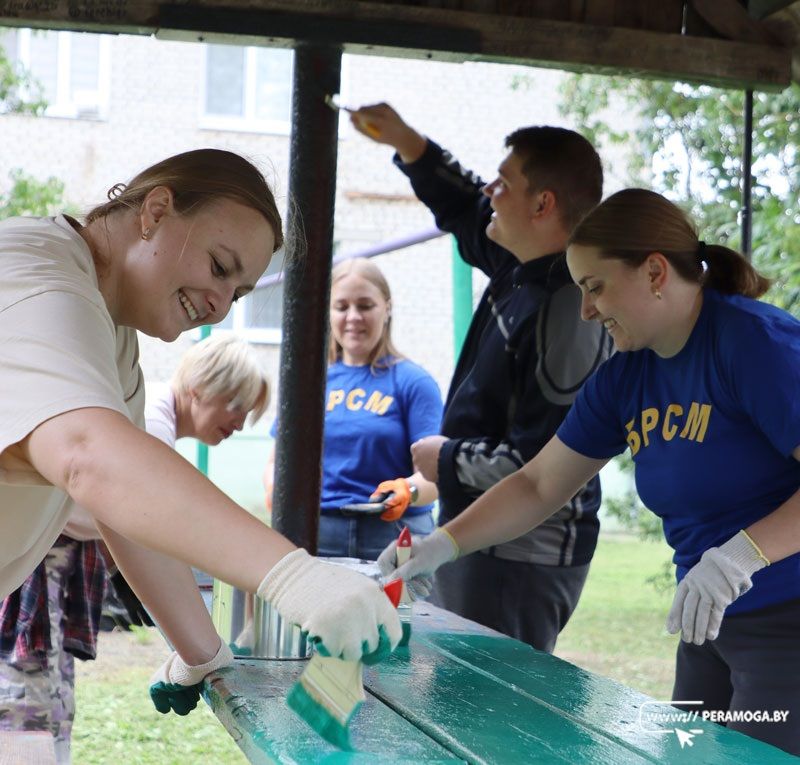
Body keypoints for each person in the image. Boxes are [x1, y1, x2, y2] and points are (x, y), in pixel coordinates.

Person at [0, 149, 402, 754]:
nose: (219, 304)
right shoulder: (37, 277)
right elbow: (88, 455)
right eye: (219, 266)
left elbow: (124, 511)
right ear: (155, 209)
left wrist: (200, 651)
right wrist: (297, 578)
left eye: (238, 293)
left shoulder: (111, 335)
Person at [380, 188, 800, 756]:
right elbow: (537, 484)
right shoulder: (624, 376)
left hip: (785, 622)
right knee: (689, 753)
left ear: (654, 271)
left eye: (594, 287)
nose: (585, 310)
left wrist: (739, 556)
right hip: (709, 625)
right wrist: (441, 545)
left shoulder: (753, 344)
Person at [349, 103, 611, 651]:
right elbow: (465, 204)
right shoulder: (525, 266)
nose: (490, 189)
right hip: (483, 538)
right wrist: (406, 139)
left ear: (543, 204)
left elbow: (544, 470)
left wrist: (445, 459)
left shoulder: (569, 310)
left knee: (492, 716)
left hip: (522, 555)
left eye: (505, 182)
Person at [0, 333, 269, 762]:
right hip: (37, 567)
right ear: (201, 387)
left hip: (55, 561)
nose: (240, 422)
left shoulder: (151, 420)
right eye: (236, 404)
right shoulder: (149, 428)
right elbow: (145, 526)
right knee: (26, 698)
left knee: (47, 689)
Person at [264, 257, 442, 560]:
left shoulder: (414, 383)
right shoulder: (308, 382)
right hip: (315, 532)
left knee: (396, 611)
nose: (353, 317)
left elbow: (435, 476)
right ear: (328, 312)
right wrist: (275, 490)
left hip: (393, 533)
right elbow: (277, 462)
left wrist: (407, 491)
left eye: (365, 305)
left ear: (387, 307)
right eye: (342, 306)